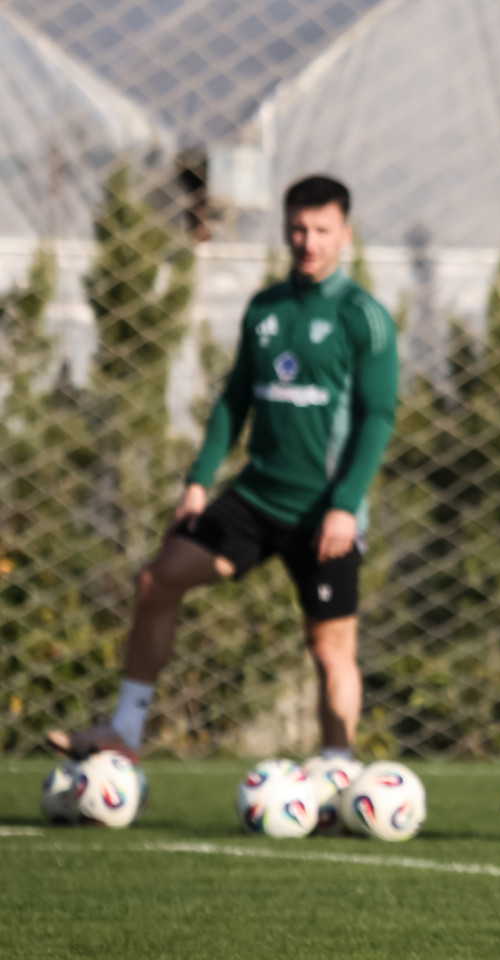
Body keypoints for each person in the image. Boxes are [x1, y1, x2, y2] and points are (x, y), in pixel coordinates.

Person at [49, 175, 397, 766]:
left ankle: (337, 771)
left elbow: (378, 418)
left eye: (321, 230)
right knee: (157, 581)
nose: (308, 241)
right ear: (285, 228)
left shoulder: (364, 316)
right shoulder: (266, 308)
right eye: (298, 228)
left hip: (324, 513)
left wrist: (345, 506)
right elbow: (235, 399)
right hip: (256, 499)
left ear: (346, 235)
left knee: (330, 649)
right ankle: (124, 731)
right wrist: (198, 482)